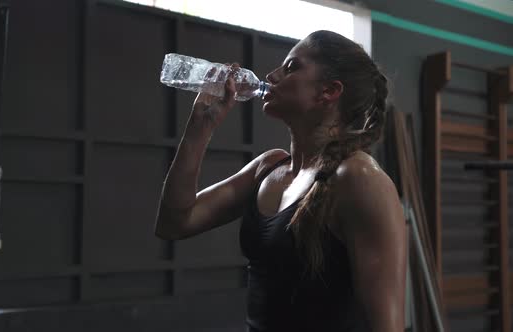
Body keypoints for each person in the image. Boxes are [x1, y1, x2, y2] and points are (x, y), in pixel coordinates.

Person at [155, 30, 406, 332]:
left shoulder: (358, 178)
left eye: (291, 68)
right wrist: (200, 128)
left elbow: (387, 326)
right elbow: (174, 223)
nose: (271, 76)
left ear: (328, 91)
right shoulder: (267, 168)